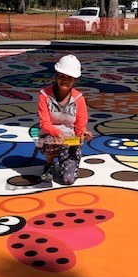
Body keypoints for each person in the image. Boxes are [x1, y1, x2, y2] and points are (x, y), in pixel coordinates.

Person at [36, 54, 92, 184]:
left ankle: (66, 161)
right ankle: (49, 165)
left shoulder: (79, 99)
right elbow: (44, 123)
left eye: (69, 78)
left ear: (75, 80)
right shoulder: (44, 95)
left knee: (68, 179)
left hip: (70, 140)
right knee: (50, 143)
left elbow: (80, 124)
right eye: (61, 76)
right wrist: (57, 134)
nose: (64, 80)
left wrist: (83, 134)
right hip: (51, 136)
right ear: (56, 75)